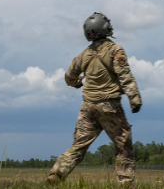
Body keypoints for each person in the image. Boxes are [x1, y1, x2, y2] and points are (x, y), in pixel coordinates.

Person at [48, 13, 142, 185]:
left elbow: (69, 76)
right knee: (124, 145)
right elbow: (124, 76)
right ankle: (126, 183)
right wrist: (134, 99)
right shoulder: (115, 50)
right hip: (109, 106)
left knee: (79, 145)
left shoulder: (84, 54)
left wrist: (77, 83)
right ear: (105, 29)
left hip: (87, 107)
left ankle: (57, 173)